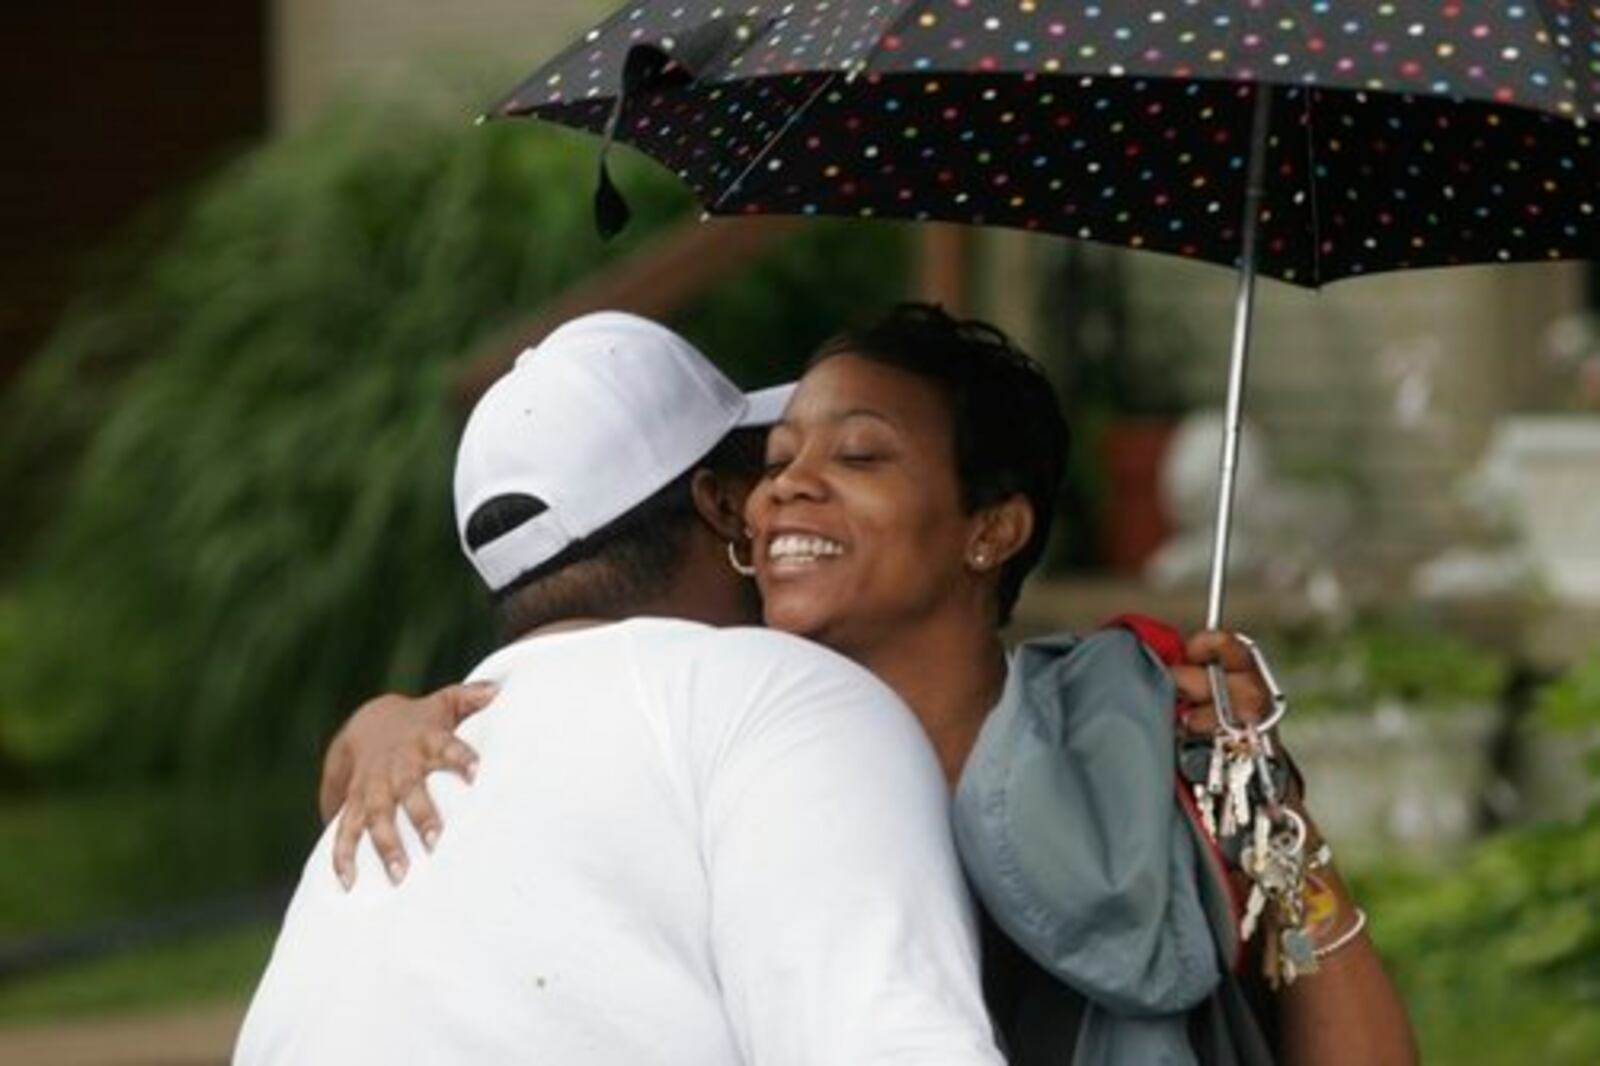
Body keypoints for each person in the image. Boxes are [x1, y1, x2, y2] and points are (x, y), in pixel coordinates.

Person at [324, 306, 1417, 1065]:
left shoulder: (1127, 734)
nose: (789, 484)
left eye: (859, 455)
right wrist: (383, 721)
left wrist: (1271, 812)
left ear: (991, 526)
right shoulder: (712, 725)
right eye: (781, 458)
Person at [234, 312, 1005, 1066]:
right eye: (767, 466)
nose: (786, 494)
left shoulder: (409, 770)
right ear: (722, 505)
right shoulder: (782, 699)